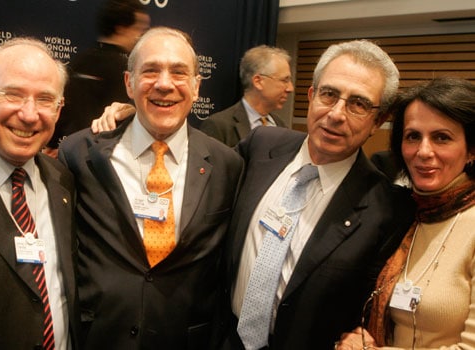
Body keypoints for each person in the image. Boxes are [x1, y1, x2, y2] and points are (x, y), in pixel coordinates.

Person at [94, 39, 416, 350]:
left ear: (380, 120)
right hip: (220, 339)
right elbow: (192, 168)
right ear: (311, 95)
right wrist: (138, 118)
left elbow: (374, 306)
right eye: (329, 94)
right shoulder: (262, 146)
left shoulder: (387, 209)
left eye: (358, 104)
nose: (336, 113)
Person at [58, 26, 243, 349]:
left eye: (179, 72)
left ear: (197, 87)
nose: (164, 84)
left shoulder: (227, 164)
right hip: (100, 338)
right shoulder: (80, 153)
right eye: (151, 70)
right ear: (129, 83)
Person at [336, 77, 475, 349]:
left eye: (441, 138)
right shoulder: (405, 215)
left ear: (471, 150)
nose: (423, 152)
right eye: (413, 136)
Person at [0, 37, 79, 349]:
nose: (30, 114)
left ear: (59, 110)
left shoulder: (63, 180)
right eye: (13, 94)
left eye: (46, 100)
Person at [44, 0, 150, 158]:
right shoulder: (122, 69)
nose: (139, 38)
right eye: (138, 30)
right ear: (121, 27)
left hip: (69, 154)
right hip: (104, 158)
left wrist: (52, 145)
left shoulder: (80, 61)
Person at [199, 45, 292, 147]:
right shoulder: (219, 127)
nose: (290, 88)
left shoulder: (281, 126)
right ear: (258, 82)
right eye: (284, 80)